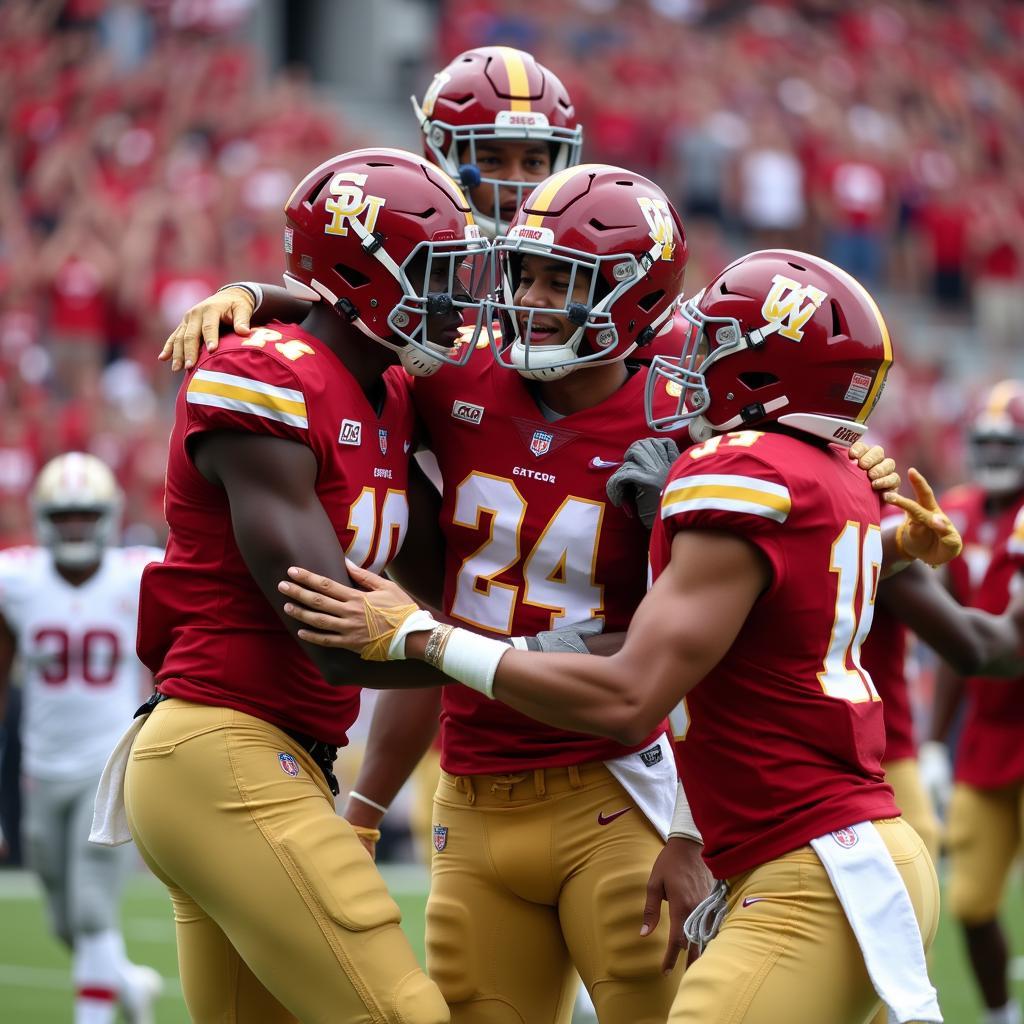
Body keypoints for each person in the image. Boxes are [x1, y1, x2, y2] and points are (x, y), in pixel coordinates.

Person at [158, 166, 901, 1022]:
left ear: (638, 295)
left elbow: (758, 596)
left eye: (563, 280)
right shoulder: (452, 373)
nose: (530, 300)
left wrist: (850, 459)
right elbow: (350, 330)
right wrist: (253, 293)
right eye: (523, 274)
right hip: (472, 785)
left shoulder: (688, 410)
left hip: (614, 780)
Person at [97, 148, 493, 1024]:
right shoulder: (262, 375)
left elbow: (454, 567)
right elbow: (336, 634)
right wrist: (529, 665)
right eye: (437, 271)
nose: (458, 297)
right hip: (221, 750)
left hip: (277, 756)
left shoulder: (385, 386)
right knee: (404, 1014)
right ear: (360, 272)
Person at [0, 452, 164, 1024]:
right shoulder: (16, 582)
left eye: (85, 516)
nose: (75, 527)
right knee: (63, 923)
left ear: (109, 517)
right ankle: (129, 984)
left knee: (93, 914)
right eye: (65, 516)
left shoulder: (137, 573)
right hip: (42, 770)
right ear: (45, 518)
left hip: (107, 767)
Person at [922, 380, 1024, 1024]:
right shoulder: (954, 512)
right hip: (987, 733)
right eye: (983, 441)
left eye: (1005, 442)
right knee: (972, 901)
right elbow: (957, 640)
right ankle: (1001, 1017)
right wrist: (936, 738)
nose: (992, 452)